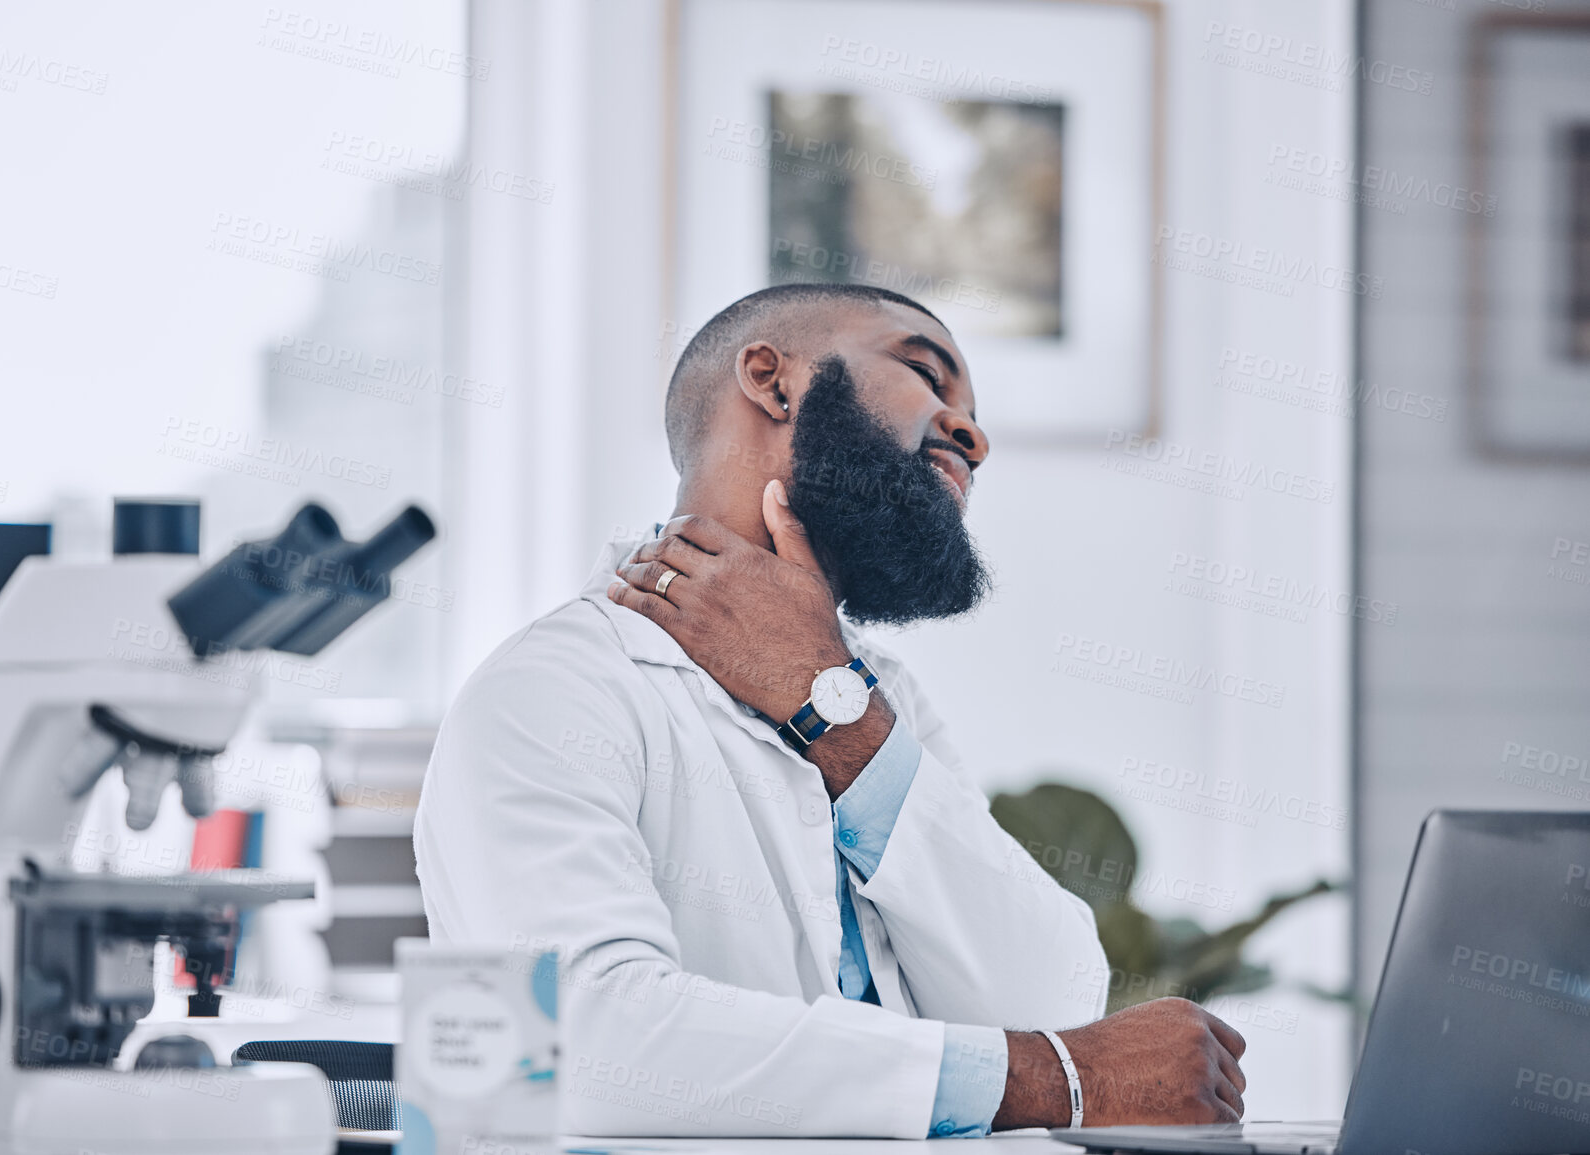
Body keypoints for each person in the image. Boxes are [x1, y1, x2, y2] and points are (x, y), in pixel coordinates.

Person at [414, 284, 1248, 1138]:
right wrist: (1049, 1077)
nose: (973, 434)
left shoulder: (871, 695)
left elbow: (1047, 995)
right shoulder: (553, 684)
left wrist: (831, 707)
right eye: (927, 373)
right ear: (773, 381)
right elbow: (571, 1047)